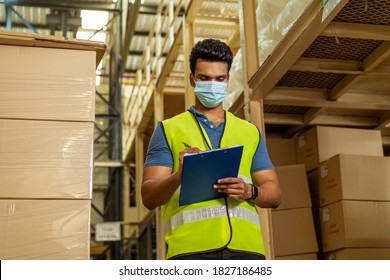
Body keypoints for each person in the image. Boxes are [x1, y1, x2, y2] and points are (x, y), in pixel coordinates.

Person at [141, 38, 281, 260]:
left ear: (228, 80)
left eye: (220, 78)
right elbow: (148, 196)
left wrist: (249, 191)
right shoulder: (168, 130)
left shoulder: (250, 132)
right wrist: (179, 176)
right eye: (204, 78)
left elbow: (274, 193)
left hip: (247, 252)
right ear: (192, 79)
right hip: (189, 253)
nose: (213, 85)